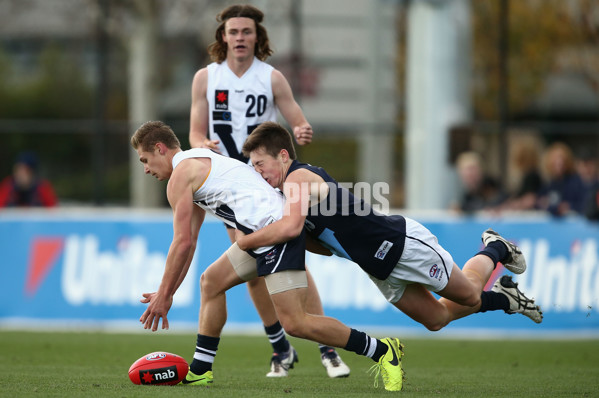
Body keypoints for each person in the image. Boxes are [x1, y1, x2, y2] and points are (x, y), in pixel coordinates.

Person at [131, 121, 404, 391]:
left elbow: (182, 242)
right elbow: (188, 243)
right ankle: (201, 370)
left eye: (145, 159)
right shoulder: (201, 158)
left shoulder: (180, 177)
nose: (145, 169)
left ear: (160, 148)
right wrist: (167, 292)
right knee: (211, 282)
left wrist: (165, 294)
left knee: (296, 323)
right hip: (260, 234)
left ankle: (382, 351)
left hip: (276, 233)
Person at [235, 122, 543, 336]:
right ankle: (505, 297)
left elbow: (290, 229)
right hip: (377, 266)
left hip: (399, 244)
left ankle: (496, 246)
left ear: (284, 156)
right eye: (253, 166)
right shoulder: (287, 193)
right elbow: (314, 242)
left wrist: (247, 242)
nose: (258, 172)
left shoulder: (297, 179)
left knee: (471, 296)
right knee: (436, 320)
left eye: (261, 163)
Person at [188, 4, 349, 378]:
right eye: (233, 32)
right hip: (229, 188)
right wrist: (202, 144)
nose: (240, 38)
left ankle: (327, 346)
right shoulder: (206, 78)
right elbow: (195, 131)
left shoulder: (271, 77)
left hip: (268, 185)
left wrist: (304, 128)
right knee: (253, 270)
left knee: (293, 261)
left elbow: (296, 117)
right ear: (223, 37)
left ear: (258, 37)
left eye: (247, 32)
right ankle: (281, 347)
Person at [537, 142, 585, 217]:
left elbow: (583, 203)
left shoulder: (575, 182)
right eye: (556, 161)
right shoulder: (549, 183)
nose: (559, 164)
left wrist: (569, 206)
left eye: (562, 161)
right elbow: (540, 201)